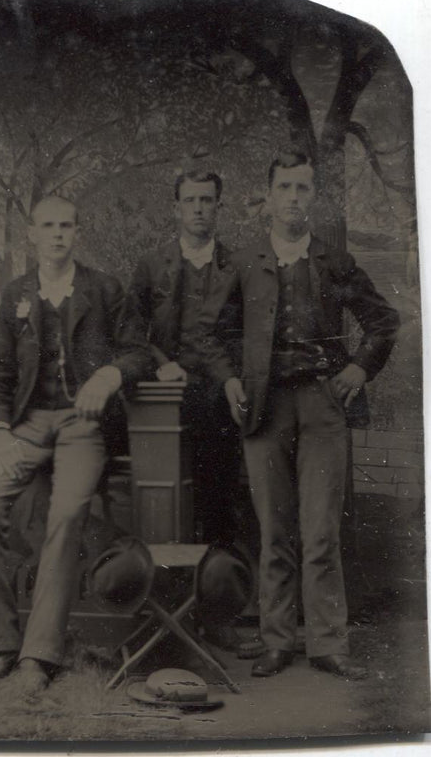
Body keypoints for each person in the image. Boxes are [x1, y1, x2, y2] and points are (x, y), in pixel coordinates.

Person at [196, 150, 399, 679]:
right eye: (284, 188)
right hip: (264, 408)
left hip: (322, 405)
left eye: (302, 189)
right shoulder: (244, 263)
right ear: (268, 197)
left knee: (322, 530)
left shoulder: (335, 262)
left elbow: (383, 322)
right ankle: (278, 641)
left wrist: (358, 370)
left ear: (314, 197)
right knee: (275, 529)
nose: (292, 198)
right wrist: (231, 379)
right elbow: (208, 335)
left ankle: (328, 644)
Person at [0, 195, 150, 695]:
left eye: (66, 226)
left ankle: (38, 655)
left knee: (68, 513)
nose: (57, 235)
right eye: (47, 226)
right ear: (32, 234)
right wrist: (0, 433)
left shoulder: (104, 289)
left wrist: (110, 373)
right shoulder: (17, 295)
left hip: (81, 426)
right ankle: (0, 644)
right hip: (25, 425)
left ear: (78, 232)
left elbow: (140, 352)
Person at [120, 171, 244, 649]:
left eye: (207, 200)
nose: (198, 208)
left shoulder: (237, 267)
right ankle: (165, 619)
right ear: (175, 208)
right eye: (189, 200)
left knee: (218, 505)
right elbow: (131, 334)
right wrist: (162, 362)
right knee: (165, 509)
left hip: (216, 400)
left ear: (218, 208)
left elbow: (243, 336)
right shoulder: (153, 266)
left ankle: (218, 618)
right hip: (162, 403)